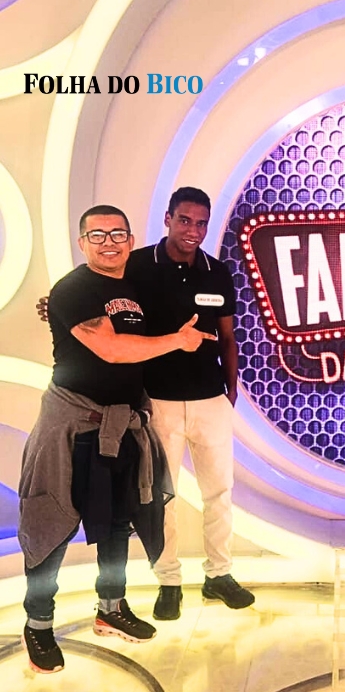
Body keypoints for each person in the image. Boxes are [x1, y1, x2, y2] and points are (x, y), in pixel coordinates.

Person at [39, 187, 254, 619]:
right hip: (156, 400)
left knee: (219, 491)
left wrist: (230, 391)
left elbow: (228, 337)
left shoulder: (216, 271)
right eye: (184, 220)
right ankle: (168, 580)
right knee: (159, 497)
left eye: (201, 223)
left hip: (210, 398)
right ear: (168, 219)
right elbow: (93, 291)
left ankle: (219, 575)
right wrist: (55, 305)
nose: (193, 230)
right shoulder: (136, 264)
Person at [19, 205, 214, 674]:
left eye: (117, 233)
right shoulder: (74, 289)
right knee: (53, 525)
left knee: (116, 524)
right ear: (82, 242)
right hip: (73, 424)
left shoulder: (133, 285)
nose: (109, 242)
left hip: (123, 424)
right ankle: (38, 624)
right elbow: (110, 348)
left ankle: (111, 608)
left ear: (130, 240)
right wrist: (177, 342)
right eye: (98, 234)